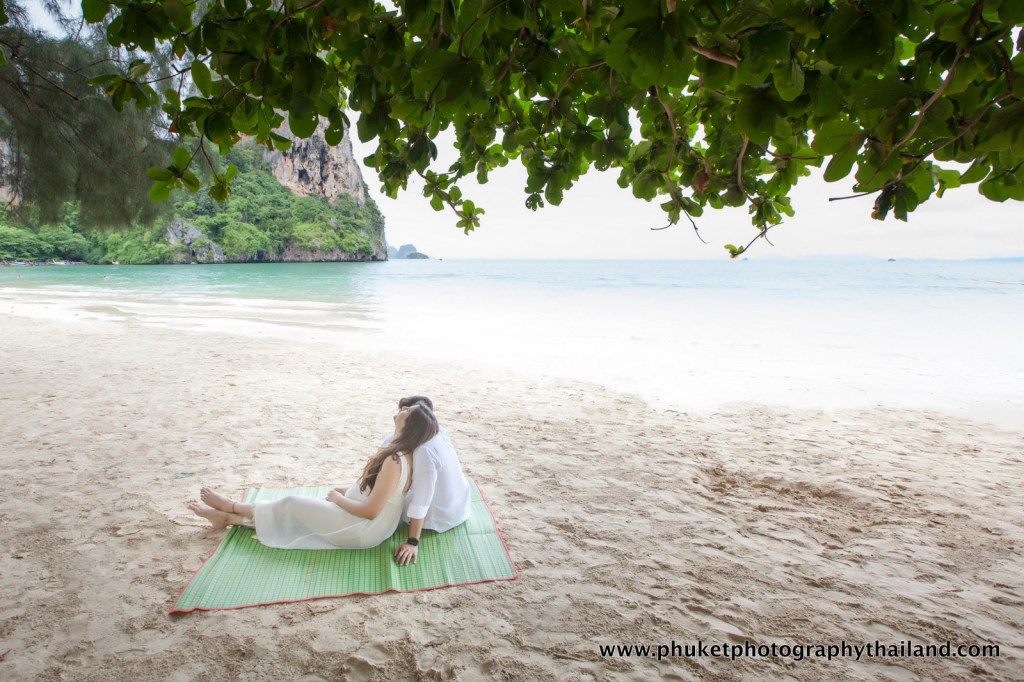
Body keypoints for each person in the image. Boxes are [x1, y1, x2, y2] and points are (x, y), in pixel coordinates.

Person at [189, 403, 438, 551]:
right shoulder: (400, 454)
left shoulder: (395, 460)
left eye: (408, 410)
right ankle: (228, 517)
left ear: (410, 425)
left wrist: (338, 499)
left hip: (364, 529)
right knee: (300, 513)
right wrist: (345, 492)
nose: (403, 407)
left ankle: (230, 506)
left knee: (293, 504)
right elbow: (378, 493)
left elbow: (372, 511)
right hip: (367, 525)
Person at [392, 395, 471, 567]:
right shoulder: (437, 430)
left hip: (442, 515)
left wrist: (412, 542)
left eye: (406, 411)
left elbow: (422, 499)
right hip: (460, 504)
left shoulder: (424, 451)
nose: (401, 412)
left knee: (390, 496)